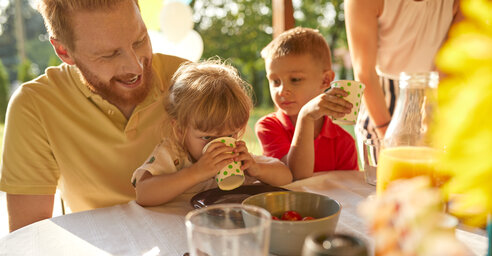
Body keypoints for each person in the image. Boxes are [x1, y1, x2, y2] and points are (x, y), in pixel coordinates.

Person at [0, 0, 187, 231]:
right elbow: (30, 239)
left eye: (140, 41)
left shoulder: (189, 81)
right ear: (64, 51)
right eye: (109, 54)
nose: (135, 66)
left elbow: (231, 189)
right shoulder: (34, 106)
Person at [132, 60, 293, 206]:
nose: (219, 144)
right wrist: (196, 173)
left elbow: (286, 176)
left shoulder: (236, 155)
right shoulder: (174, 154)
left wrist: (256, 168)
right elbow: (143, 194)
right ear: (180, 130)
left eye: (230, 135)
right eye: (207, 137)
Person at [344, 0, 462, 156]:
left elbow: (448, 64)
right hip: (380, 99)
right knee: (387, 176)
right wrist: (387, 134)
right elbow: (364, 72)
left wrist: (432, 116)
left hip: (434, 94)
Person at [255, 27, 359, 180]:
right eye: (275, 81)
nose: (282, 91)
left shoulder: (344, 142)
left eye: (295, 79)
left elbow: (349, 192)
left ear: (325, 80)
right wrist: (306, 117)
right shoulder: (269, 127)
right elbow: (295, 178)